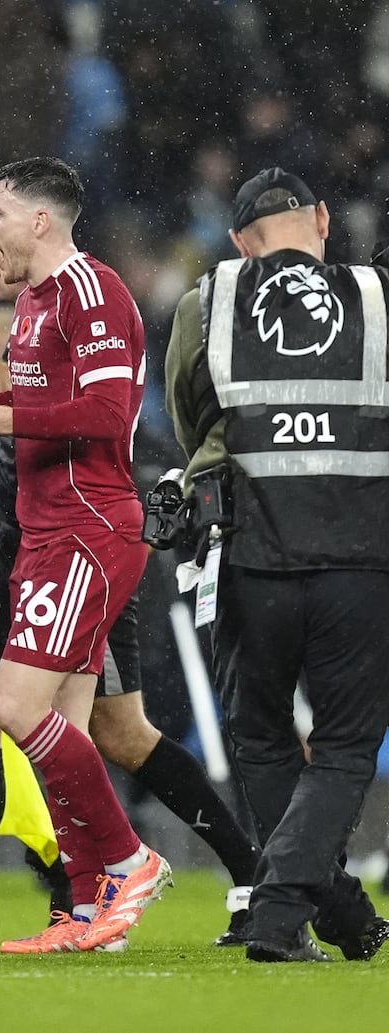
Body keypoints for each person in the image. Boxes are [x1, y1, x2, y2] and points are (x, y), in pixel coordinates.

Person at [0, 186, 261, 951]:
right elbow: (13, 403)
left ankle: (130, 861)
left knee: (24, 712)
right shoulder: (41, 303)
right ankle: (87, 910)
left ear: (37, 220)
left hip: (84, 530)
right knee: (65, 723)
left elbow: (107, 415)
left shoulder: (90, 291)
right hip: (41, 530)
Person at [166, 167, 389, 963]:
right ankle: (280, 911)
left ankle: (328, 910)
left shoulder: (208, 302)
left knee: (259, 736)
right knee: (344, 746)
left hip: (250, 555)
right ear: (323, 219)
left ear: (237, 241)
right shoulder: (378, 297)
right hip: (361, 556)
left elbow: (195, 428)